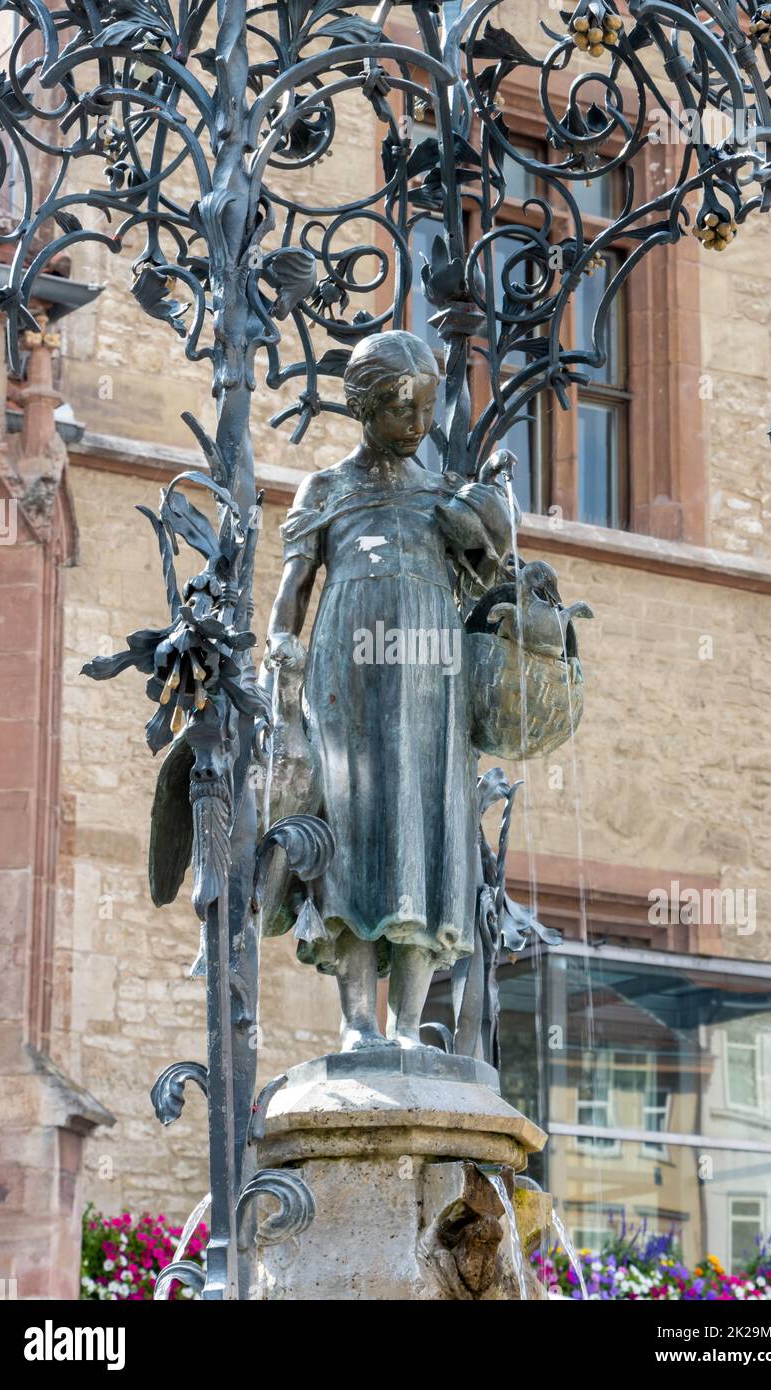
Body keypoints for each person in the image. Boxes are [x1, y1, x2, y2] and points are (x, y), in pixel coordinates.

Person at [265, 330, 514, 1050]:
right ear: (365, 407)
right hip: (347, 678)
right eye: (403, 409)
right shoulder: (330, 489)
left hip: (431, 686)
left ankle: (408, 1024)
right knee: (352, 826)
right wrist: (282, 644)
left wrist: (490, 527)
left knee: (423, 828)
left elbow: (492, 587)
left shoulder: (444, 496)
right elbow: (294, 588)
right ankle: (357, 1023)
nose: (419, 425)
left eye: (427, 408)